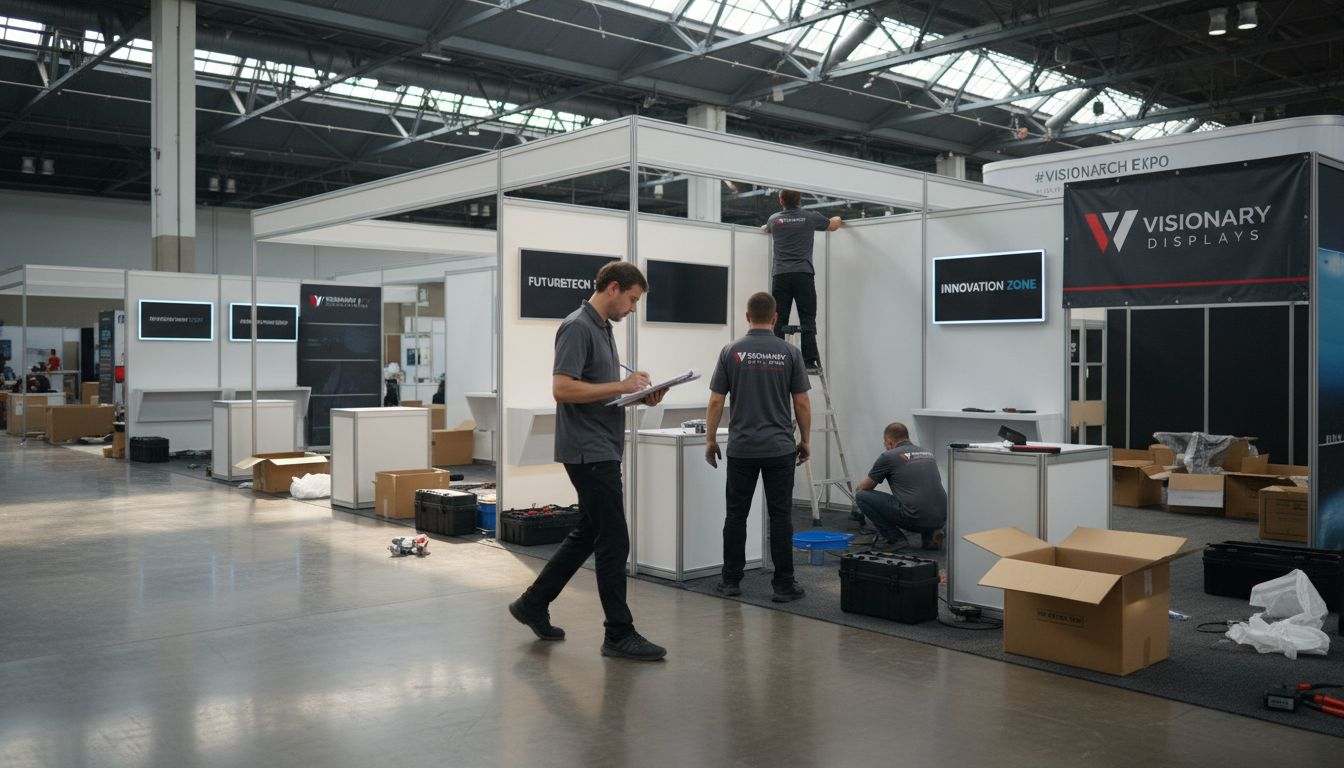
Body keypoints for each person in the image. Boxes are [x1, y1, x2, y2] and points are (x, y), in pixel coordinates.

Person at [508, 261, 668, 661]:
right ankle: (618, 632)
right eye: (632, 300)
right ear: (613, 288)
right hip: (588, 450)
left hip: (602, 445)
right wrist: (621, 385)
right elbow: (562, 388)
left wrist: (638, 394)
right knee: (615, 539)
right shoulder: (577, 326)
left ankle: (532, 603)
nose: (633, 309)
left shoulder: (602, 328)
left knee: (589, 533)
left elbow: (597, 390)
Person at [704, 292, 811, 602]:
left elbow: (715, 400)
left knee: (736, 515)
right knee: (781, 516)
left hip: (742, 449)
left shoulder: (731, 352)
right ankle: (784, 585)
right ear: (776, 319)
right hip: (779, 449)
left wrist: (711, 440)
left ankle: (731, 581)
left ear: (747, 317)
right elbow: (801, 401)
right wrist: (805, 440)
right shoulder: (789, 353)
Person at [762, 189, 841, 370]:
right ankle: (808, 360)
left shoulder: (774, 219)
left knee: (778, 318)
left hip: (780, 275)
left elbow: (766, 229)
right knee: (807, 318)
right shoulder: (810, 217)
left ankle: (777, 356)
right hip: (803, 275)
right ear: (799, 200)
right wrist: (838, 218)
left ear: (781, 200)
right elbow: (833, 225)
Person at [855, 422, 947, 550]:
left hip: (916, 518)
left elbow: (865, 487)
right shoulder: (927, 453)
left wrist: (856, 500)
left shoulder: (888, 456)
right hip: (941, 517)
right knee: (918, 499)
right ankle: (931, 535)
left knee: (861, 496)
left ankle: (894, 538)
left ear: (889, 442)